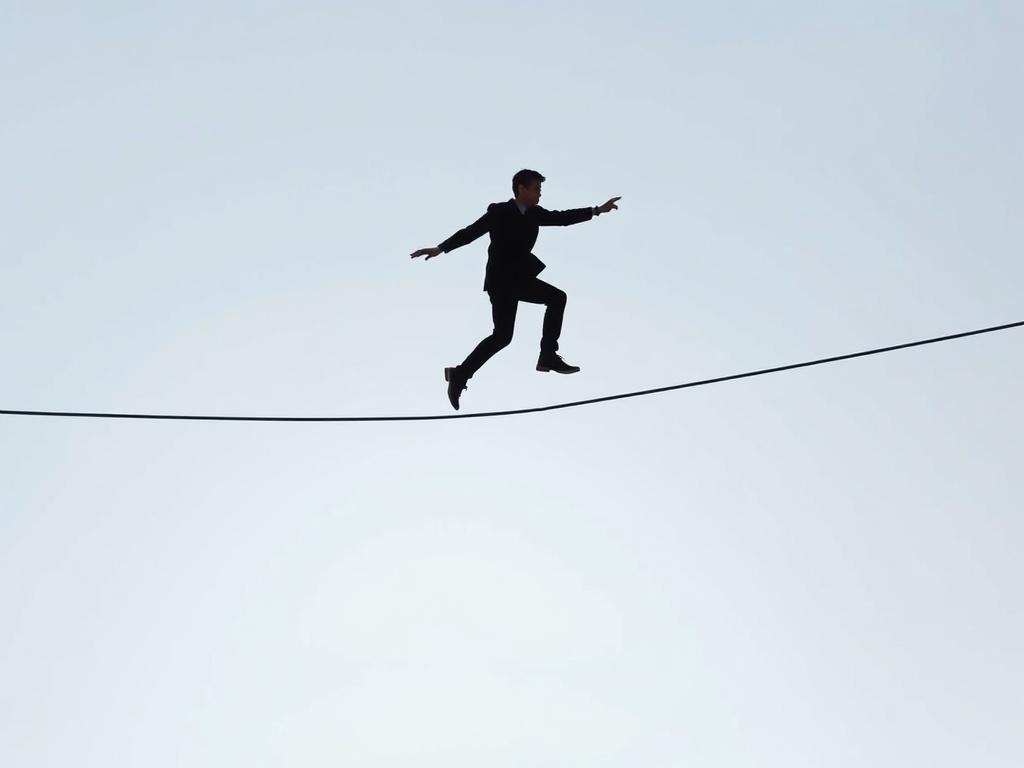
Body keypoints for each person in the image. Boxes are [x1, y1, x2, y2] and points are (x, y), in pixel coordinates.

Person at [411, 169, 621, 410]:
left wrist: (597, 210)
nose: (540, 194)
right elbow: (471, 232)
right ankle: (460, 375)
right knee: (503, 336)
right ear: (521, 188)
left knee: (556, 298)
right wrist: (440, 248)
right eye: (536, 189)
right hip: (501, 282)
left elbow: (562, 218)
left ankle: (547, 356)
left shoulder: (535, 214)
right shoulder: (499, 212)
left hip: (520, 279)